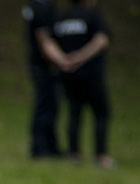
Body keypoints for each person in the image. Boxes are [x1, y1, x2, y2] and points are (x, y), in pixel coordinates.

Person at [53, 0, 114, 168]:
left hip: (68, 74)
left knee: (74, 113)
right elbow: (102, 40)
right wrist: (80, 57)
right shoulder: (93, 15)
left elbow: (50, 40)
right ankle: (101, 156)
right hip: (91, 75)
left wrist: (65, 61)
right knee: (101, 113)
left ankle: (74, 154)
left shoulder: (62, 17)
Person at [22, 0, 68, 159]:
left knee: (52, 106)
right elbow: (43, 39)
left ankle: (51, 146)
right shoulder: (41, 8)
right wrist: (60, 60)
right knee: (45, 106)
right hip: (44, 66)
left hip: (46, 64)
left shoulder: (44, 6)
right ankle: (41, 148)